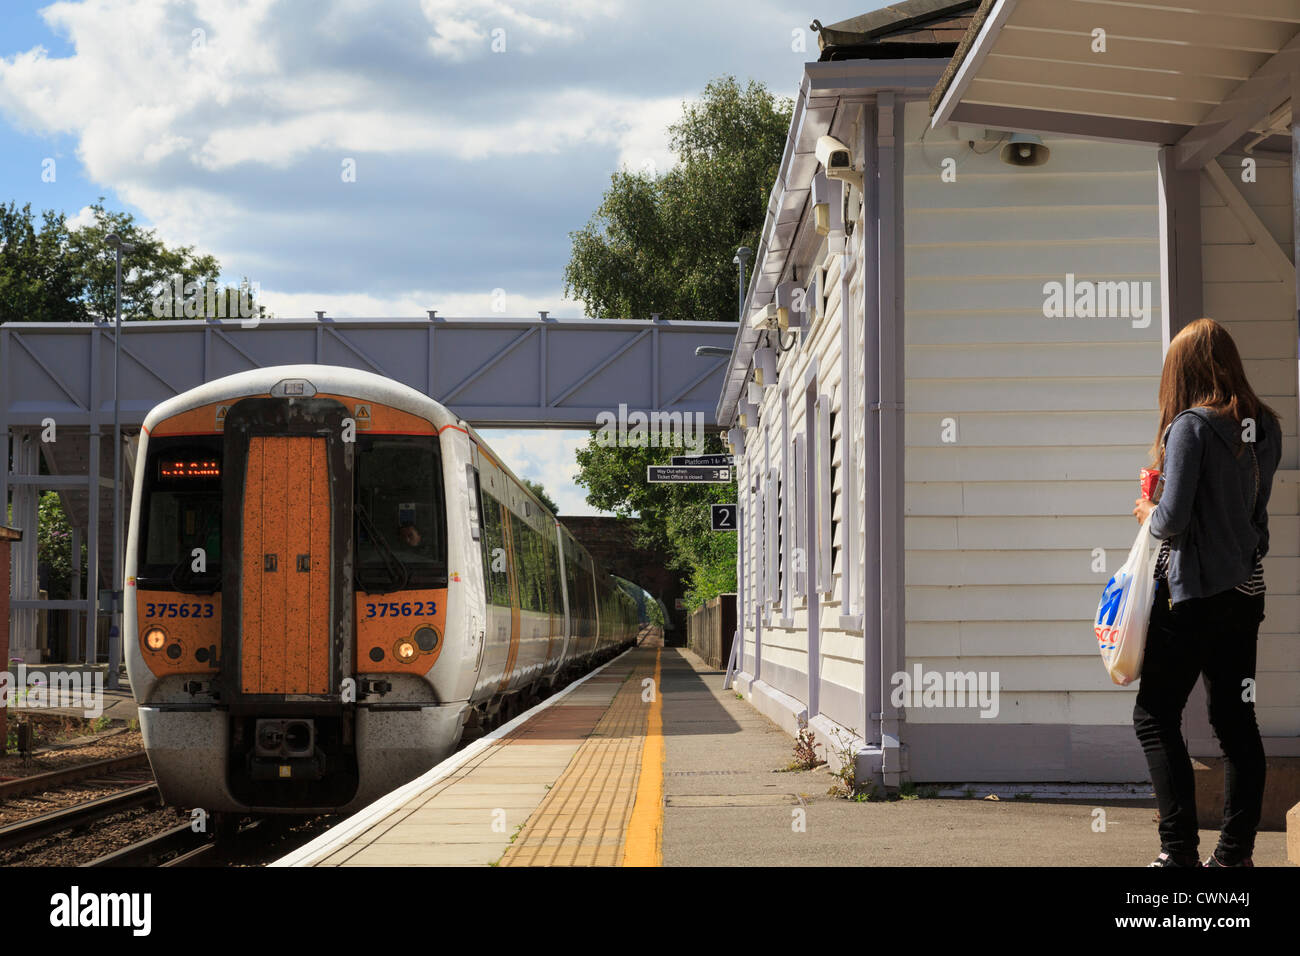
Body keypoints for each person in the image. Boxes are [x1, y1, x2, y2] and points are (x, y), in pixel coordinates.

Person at [1131, 318, 1281, 868]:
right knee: (1237, 722)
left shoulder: (1191, 427)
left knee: (1154, 716)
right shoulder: (1265, 426)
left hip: (1190, 599)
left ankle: (1178, 855)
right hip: (1245, 596)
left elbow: (1171, 523)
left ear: (1184, 371)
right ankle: (1234, 856)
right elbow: (1256, 524)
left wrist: (1149, 508)